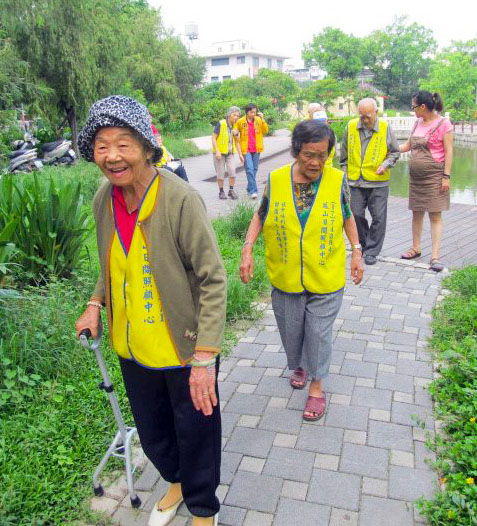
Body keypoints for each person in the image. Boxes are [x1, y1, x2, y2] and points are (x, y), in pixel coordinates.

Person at [75, 95, 226, 526]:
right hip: (132, 346)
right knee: (156, 432)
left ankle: (202, 509)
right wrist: (94, 302)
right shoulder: (104, 199)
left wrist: (205, 358)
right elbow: (111, 263)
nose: (112, 155)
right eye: (102, 146)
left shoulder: (180, 200)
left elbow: (212, 279)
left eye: (123, 143)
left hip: (183, 349)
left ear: (145, 146)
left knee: (196, 432)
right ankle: (175, 481)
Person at [239, 120, 363, 421]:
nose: (315, 161)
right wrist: (247, 249)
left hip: (326, 273)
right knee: (292, 333)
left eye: (322, 154)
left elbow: (347, 215)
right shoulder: (278, 179)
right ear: (296, 151)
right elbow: (261, 214)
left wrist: (356, 251)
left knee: (318, 333)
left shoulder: (336, 179)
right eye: (309, 154)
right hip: (286, 274)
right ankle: (300, 365)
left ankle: (317, 388)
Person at [340, 98, 400, 265]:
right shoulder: (351, 126)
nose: (365, 120)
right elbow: (343, 156)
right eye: (361, 116)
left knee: (379, 218)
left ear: (376, 113)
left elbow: (395, 153)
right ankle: (364, 246)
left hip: (378, 182)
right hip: (355, 182)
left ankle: (372, 251)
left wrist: (385, 165)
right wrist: (344, 173)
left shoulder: (385, 128)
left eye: (368, 116)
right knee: (356, 215)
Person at [399, 91, 453, 272]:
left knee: (435, 215)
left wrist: (446, 176)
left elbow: (449, 151)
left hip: (435, 177)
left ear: (423, 107)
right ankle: (416, 248)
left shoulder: (444, 124)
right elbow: (407, 146)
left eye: (413, 106)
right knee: (417, 212)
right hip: (417, 178)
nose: (412, 110)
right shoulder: (417, 123)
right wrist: (388, 147)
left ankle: (435, 256)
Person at [235, 103, 269, 199]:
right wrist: (235, 132)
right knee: (249, 169)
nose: (253, 114)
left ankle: (249, 187)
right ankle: (254, 191)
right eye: (251, 112)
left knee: (254, 169)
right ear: (247, 112)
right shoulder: (241, 121)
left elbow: (265, 130)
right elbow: (235, 131)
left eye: (255, 112)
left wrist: (263, 119)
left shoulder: (258, 120)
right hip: (246, 150)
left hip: (257, 148)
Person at [211, 106, 243, 200]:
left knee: (232, 172)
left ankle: (231, 190)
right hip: (219, 153)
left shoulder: (235, 126)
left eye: (238, 115)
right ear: (229, 115)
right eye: (234, 115)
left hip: (230, 153)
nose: (236, 117)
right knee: (220, 174)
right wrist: (217, 150)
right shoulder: (221, 124)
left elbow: (237, 141)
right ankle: (221, 191)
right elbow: (213, 138)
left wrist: (240, 154)